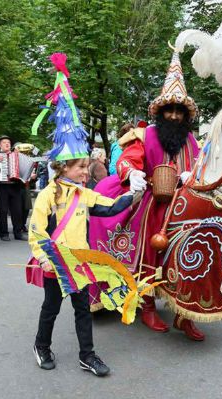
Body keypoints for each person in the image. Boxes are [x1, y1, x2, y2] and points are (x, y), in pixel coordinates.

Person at [28, 53, 142, 376]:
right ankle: (41, 345)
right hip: (55, 261)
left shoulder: (83, 192)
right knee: (51, 308)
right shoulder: (48, 195)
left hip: (79, 260)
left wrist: (134, 193)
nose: (85, 170)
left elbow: (110, 206)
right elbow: (36, 231)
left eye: (85, 165)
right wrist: (43, 257)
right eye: (80, 166)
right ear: (63, 166)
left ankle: (87, 355)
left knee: (81, 308)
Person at [90, 50, 201, 339]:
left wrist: (195, 175)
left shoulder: (192, 141)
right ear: (161, 112)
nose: (174, 115)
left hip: (184, 202)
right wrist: (133, 173)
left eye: (179, 111)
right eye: (170, 110)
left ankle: (184, 310)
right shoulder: (145, 134)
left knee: (190, 252)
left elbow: (201, 166)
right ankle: (148, 306)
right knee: (148, 251)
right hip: (152, 201)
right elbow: (127, 159)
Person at [0, 135, 27, 241]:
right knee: (2, 211)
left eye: (8, 142)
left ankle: (18, 233)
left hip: (15, 185)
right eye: (4, 142)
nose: (7, 144)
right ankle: (4, 233)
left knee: (17, 210)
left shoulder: (17, 155)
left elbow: (24, 168)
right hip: (1, 186)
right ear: (0, 145)